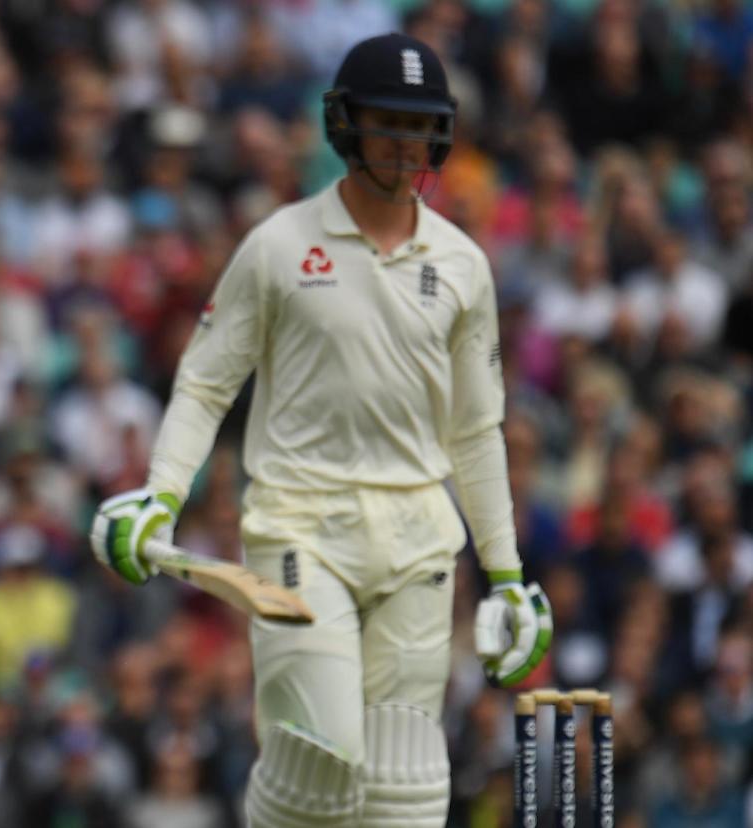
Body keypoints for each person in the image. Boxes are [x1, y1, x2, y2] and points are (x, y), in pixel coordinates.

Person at [91, 33, 552, 827]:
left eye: (420, 126)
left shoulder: (464, 266)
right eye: (387, 123)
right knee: (320, 761)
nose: (406, 145)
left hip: (419, 541)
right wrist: (161, 497)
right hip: (299, 528)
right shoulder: (276, 247)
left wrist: (508, 574)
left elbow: (478, 431)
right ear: (345, 127)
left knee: (404, 792)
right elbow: (205, 382)